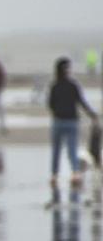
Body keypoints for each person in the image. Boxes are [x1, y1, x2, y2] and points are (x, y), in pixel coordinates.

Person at [48, 57, 98, 187]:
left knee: (57, 150)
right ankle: (75, 173)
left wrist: (57, 112)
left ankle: (54, 175)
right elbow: (81, 102)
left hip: (59, 121)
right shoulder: (72, 85)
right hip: (70, 121)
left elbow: (50, 104)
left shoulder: (55, 86)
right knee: (71, 149)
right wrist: (92, 114)